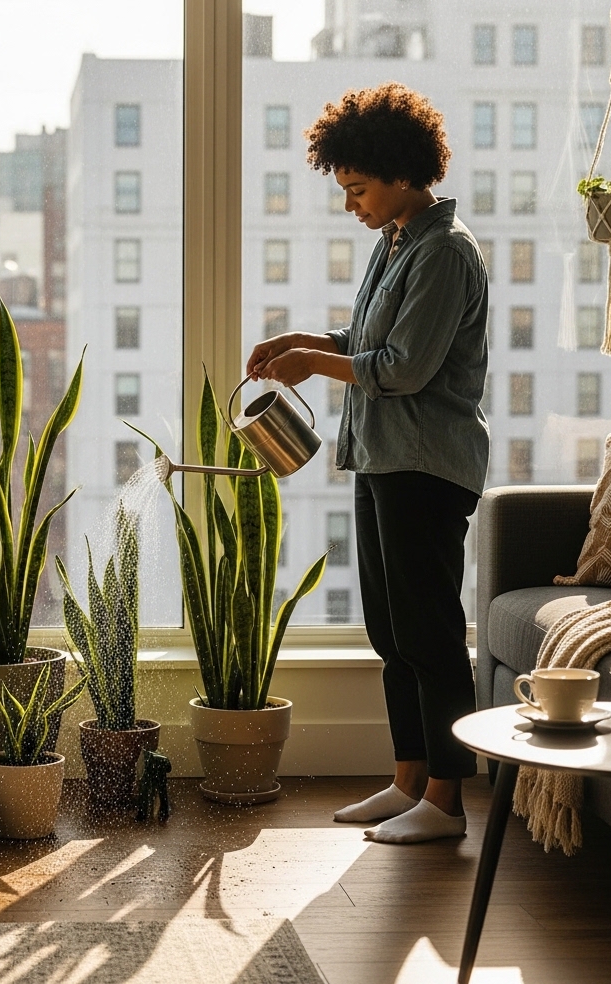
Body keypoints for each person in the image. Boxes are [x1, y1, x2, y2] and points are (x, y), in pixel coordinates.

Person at [247, 82, 489, 844]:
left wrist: (318, 365)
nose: (349, 204)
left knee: (429, 634)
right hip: (384, 458)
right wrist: (300, 344)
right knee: (391, 633)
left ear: (398, 172)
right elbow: (364, 339)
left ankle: (446, 803)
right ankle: (408, 781)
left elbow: (403, 367)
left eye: (356, 188)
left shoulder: (445, 252)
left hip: (426, 466)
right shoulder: (397, 245)